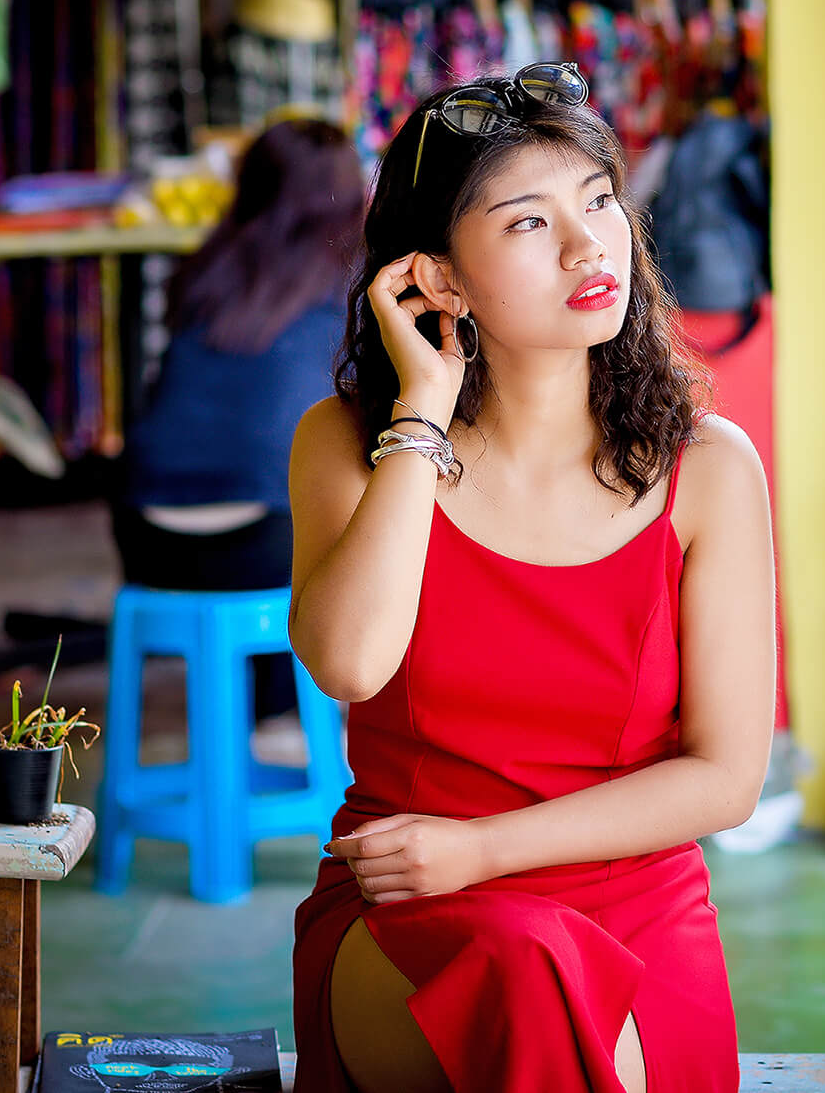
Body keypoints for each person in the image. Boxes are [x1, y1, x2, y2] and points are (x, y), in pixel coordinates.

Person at [286, 64, 777, 1093]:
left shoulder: (710, 467)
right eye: (524, 222)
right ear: (438, 278)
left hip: (636, 907)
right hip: (413, 905)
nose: (587, 243)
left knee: (547, 987)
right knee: (522, 968)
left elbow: (726, 777)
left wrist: (488, 849)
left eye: (597, 201)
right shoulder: (349, 442)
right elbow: (348, 661)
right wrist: (420, 408)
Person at [115, 117, 366, 720]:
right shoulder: (360, 278)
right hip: (262, 547)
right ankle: (291, 714)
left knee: (289, 471)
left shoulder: (206, 268)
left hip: (147, 537)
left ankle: (260, 710)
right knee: (361, 474)